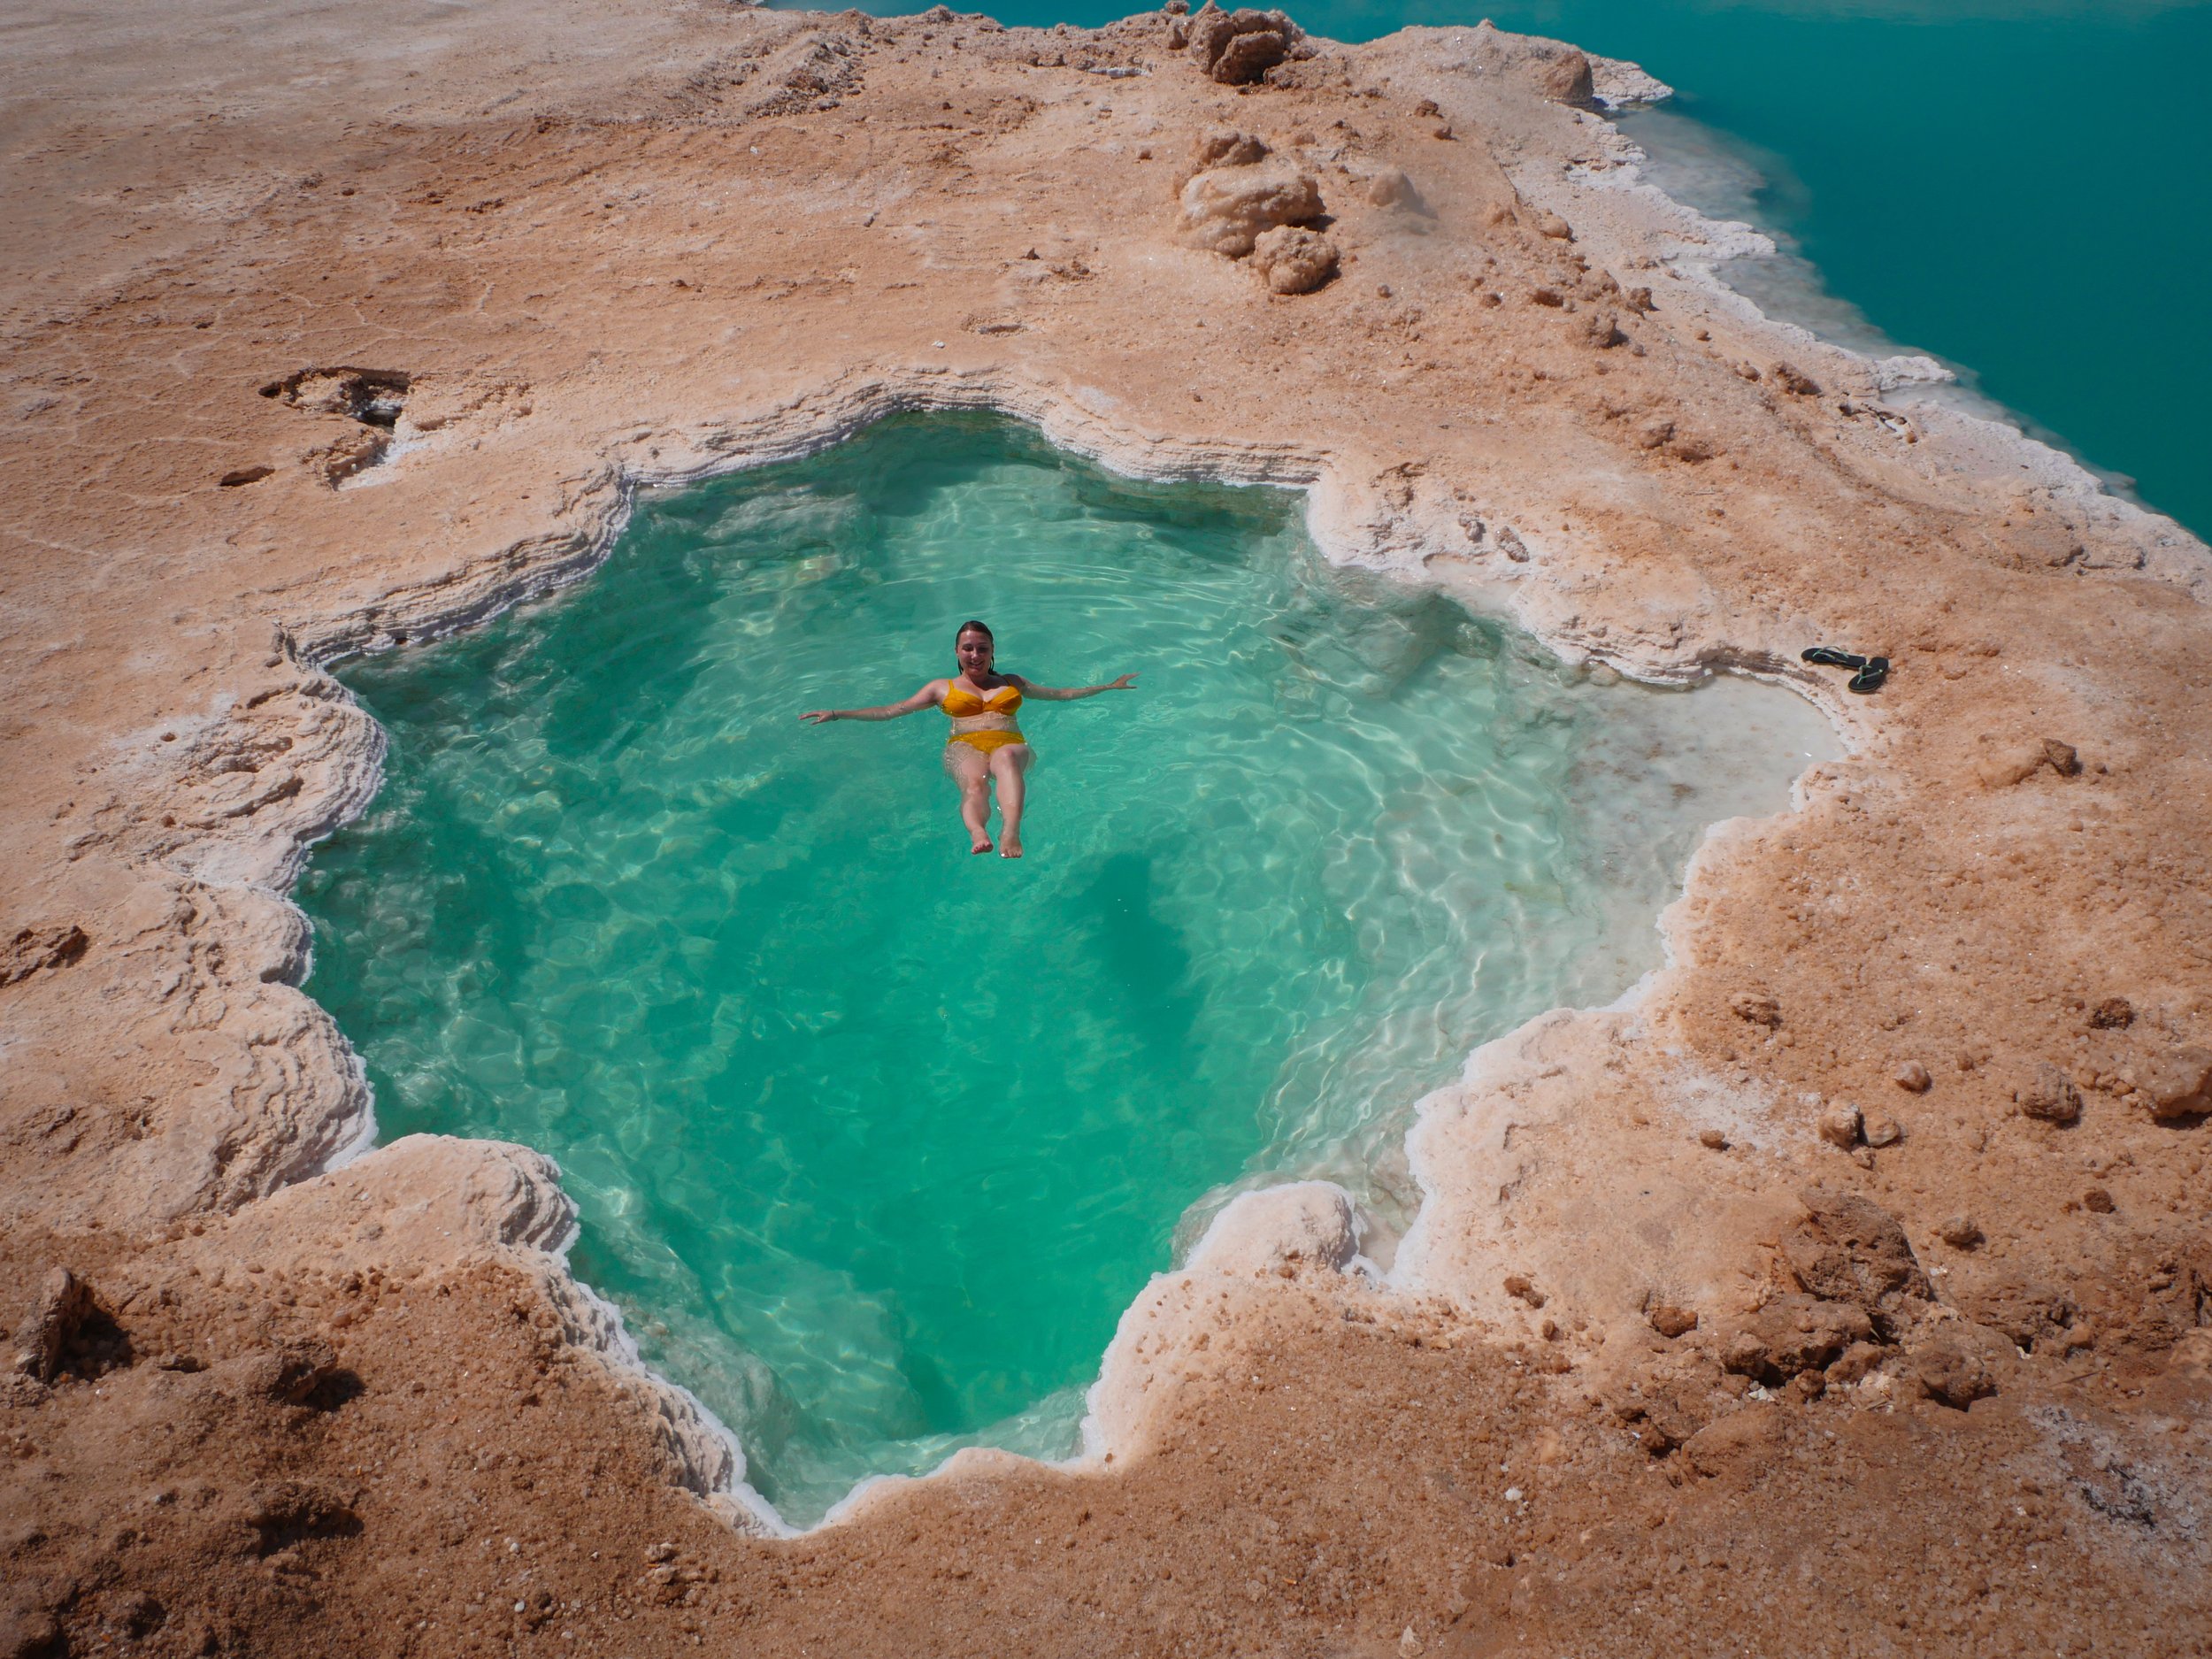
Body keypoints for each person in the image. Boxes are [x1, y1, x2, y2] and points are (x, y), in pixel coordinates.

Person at [800, 619, 1135, 858]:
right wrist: (838, 712)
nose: (975, 655)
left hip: (1010, 743)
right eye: (968, 648)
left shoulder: (1011, 681)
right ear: (957, 651)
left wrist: (1108, 686)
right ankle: (978, 832)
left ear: (992, 651)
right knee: (975, 785)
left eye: (982, 649)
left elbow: (1061, 693)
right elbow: (892, 710)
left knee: (1005, 761)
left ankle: (1011, 830)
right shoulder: (940, 688)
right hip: (964, 745)